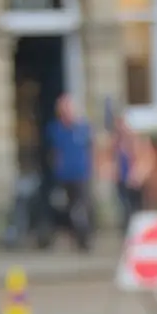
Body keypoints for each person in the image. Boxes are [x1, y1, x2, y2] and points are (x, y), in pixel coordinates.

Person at [45, 94, 93, 251]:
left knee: (81, 207)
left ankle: (84, 240)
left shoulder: (83, 128)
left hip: (81, 174)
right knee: (63, 207)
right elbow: (52, 152)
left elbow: (92, 149)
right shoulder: (55, 129)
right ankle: (68, 236)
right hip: (63, 176)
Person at [109, 115, 155, 234]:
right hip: (121, 180)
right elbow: (111, 160)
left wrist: (139, 174)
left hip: (136, 181)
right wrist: (113, 172)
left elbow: (147, 160)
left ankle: (139, 233)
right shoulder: (115, 142)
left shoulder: (139, 140)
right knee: (125, 209)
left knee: (137, 208)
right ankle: (128, 234)